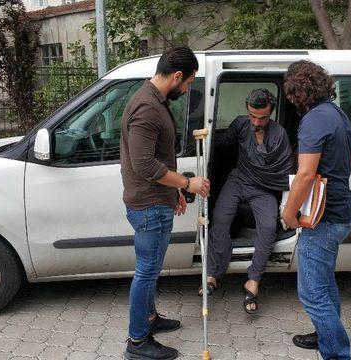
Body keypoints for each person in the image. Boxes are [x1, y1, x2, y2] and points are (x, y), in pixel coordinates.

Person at [120, 46, 210, 360]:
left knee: (151, 270)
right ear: (176, 76)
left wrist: (173, 193)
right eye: (188, 83)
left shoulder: (153, 99)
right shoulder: (147, 107)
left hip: (156, 200)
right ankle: (137, 342)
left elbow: (157, 158)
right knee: (146, 272)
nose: (187, 90)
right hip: (148, 206)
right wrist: (188, 183)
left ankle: (149, 318)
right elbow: (143, 164)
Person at [281, 60, 351, 360]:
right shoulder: (338, 115)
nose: (289, 100)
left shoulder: (313, 120)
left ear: (299, 91)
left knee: (312, 293)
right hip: (341, 213)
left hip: (322, 220)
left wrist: (289, 212)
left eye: (290, 93)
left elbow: (306, 174)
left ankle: (337, 354)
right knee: (324, 284)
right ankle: (323, 333)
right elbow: (350, 160)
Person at [202, 88, 293, 314]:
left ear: (270, 113)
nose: (256, 121)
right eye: (252, 115)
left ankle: (253, 280)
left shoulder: (279, 134)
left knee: (268, 226)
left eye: (261, 117)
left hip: (263, 188)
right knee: (220, 218)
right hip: (239, 179)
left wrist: (284, 206)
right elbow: (222, 141)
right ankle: (213, 273)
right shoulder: (241, 124)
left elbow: (283, 169)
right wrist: (206, 135)